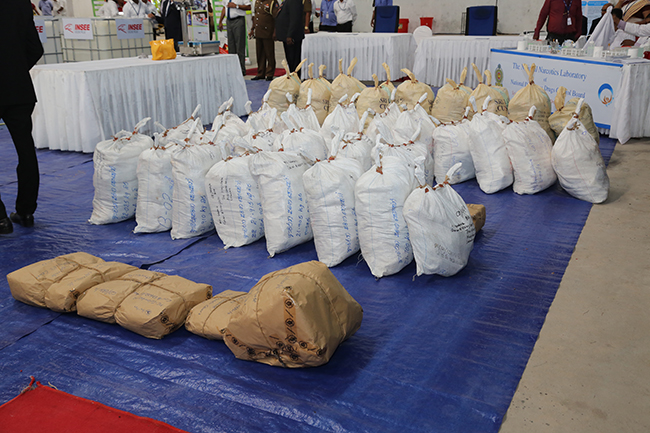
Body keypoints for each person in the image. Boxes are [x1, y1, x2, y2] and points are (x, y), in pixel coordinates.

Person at [0, 0, 45, 234]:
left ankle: (0, 220)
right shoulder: (19, 4)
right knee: (26, 150)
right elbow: (35, 48)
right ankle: (26, 212)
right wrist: (15, 70)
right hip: (19, 89)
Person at [218, 0, 252, 76]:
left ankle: (241, 69)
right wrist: (220, 21)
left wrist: (236, 6)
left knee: (240, 45)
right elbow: (224, 8)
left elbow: (249, 7)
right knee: (231, 46)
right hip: (229, 21)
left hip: (238, 20)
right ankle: (233, 69)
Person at [274, 0, 304, 73]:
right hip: (286, 35)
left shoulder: (294, 1)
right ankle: (292, 77)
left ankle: (295, 79)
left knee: (294, 60)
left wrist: (290, 35)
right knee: (290, 60)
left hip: (292, 37)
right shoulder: (286, 1)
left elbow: (295, 19)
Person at [249, 0, 276, 80]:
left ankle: (270, 73)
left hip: (268, 32)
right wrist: (252, 28)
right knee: (259, 53)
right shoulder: (257, 2)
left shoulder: (272, 2)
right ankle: (261, 73)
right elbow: (255, 16)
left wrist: (275, 32)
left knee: (269, 53)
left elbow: (276, 18)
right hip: (258, 31)